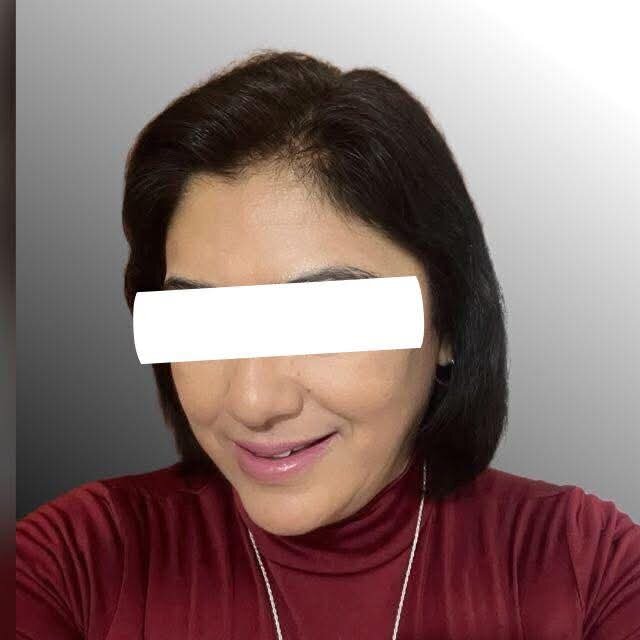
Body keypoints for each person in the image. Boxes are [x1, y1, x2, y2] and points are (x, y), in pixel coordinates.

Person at [16, 49, 640, 639]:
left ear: (447, 324)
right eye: (204, 321)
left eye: (324, 317)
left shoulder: (587, 568)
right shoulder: (72, 562)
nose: (254, 402)